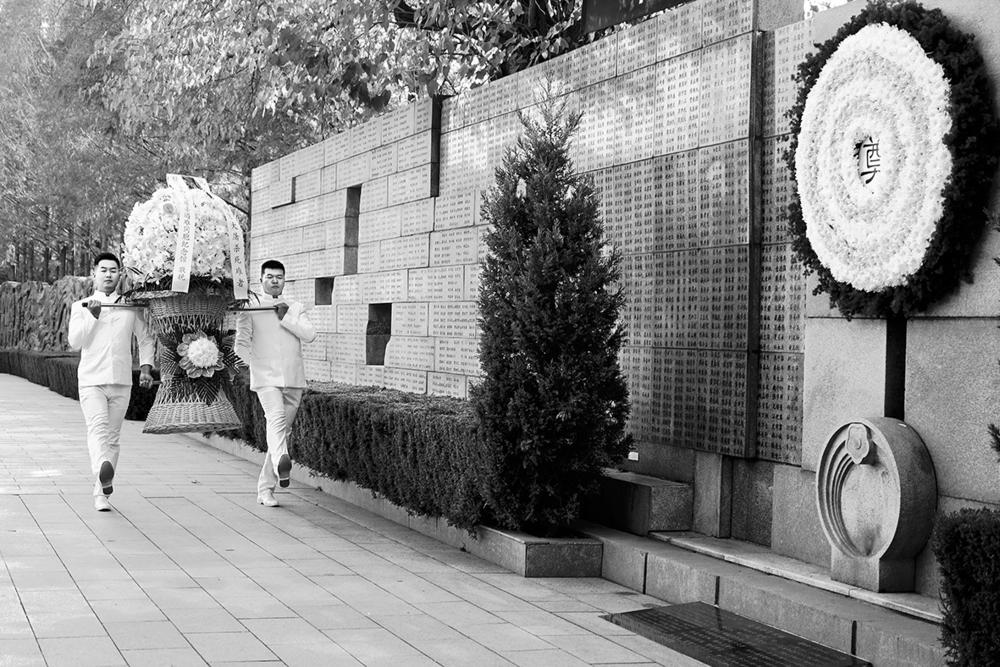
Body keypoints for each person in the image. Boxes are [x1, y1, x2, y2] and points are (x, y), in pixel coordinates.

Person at [68, 252, 156, 512]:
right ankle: (101, 470)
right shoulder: (81, 306)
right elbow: (75, 342)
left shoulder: (130, 306)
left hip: (121, 380)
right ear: (94, 273)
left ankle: (101, 493)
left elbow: (145, 338)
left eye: (113, 270)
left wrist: (146, 368)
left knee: (113, 438)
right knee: (97, 430)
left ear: (120, 274)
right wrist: (93, 316)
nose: (108, 275)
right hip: (91, 380)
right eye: (103, 270)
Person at [235, 259, 316, 507]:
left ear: (284, 280)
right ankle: (282, 459)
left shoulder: (294, 307)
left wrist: (287, 316)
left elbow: (310, 335)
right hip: (266, 377)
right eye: (269, 276)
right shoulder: (250, 307)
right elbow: (242, 341)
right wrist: (243, 367)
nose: (274, 281)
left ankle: (266, 489)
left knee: (281, 432)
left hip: (293, 377)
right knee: (277, 421)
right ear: (261, 279)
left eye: (279, 277)